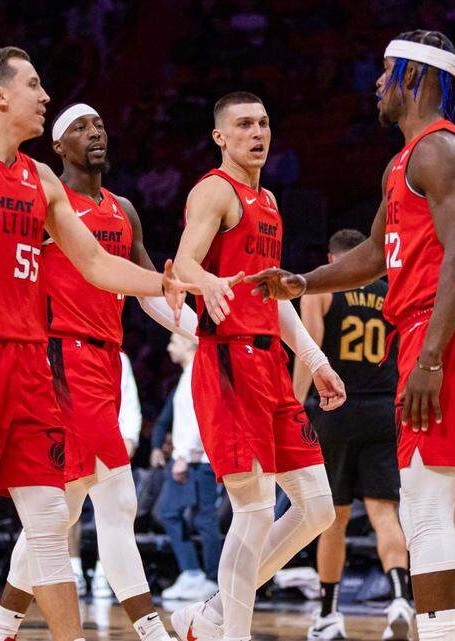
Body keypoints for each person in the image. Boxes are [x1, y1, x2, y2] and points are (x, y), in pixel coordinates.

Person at [0, 46, 195, 641]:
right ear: (0, 96)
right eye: (34, 85)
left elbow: (98, 263)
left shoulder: (40, 177)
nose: (45, 96)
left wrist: (162, 282)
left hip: (31, 364)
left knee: (50, 518)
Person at [247, 31, 455, 641]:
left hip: (446, 331)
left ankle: (442, 634)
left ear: (415, 78)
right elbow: (374, 252)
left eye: (387, 71)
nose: (377, 82)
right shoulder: (404, 159)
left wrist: (432, 359)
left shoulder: (438, 149)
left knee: (423, 505)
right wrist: (301, 282)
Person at [0, 102, 198, 641]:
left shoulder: (124, 209)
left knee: (61, 509)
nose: (94, 132)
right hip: (59, 360)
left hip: (104, 360)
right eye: (79, 126)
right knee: (117, 499)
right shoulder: (48, 203)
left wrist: (203, 330)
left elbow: (151, 291)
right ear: (58, 146)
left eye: (100, 123)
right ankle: (152, 630)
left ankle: (0, 631)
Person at [170, 91, 345, 641]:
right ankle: (230, 632)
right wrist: (209, 282)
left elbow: (276, 296)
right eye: (244, 124)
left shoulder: (268, 199)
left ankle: (213, 615)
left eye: (264, 123)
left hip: (270, 362)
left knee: (318, 508)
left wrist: (314, 359)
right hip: (228, 359)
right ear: (220, 136)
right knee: (252, 509)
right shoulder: (214, 191)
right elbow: (186, 263)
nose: (257, 133)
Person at [290, 229, 412, 641]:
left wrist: (293, 404)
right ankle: (400, 598)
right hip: (383, 410)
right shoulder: (389, 292)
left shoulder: (319, 288)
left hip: (336, 410)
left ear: (331, 258)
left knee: (334, 518)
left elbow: (311, 351)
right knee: (384, 512)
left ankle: (328, 615)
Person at [156, 334, 222, 603]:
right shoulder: (187, 374)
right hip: (192, 457)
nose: (169, 347)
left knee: (203, 519)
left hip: (199, 458)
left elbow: (201, 416)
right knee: (176, 513)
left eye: (173, 341)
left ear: (187, 344)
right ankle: (195, 573)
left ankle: (211, 579)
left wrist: (185, 454)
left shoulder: (199, 370)